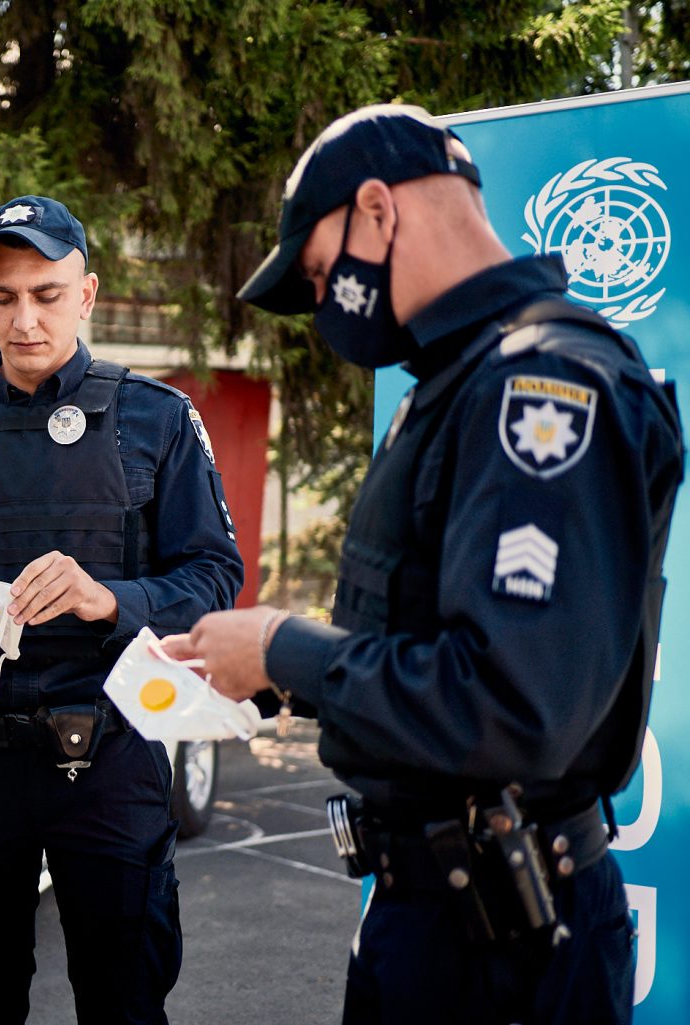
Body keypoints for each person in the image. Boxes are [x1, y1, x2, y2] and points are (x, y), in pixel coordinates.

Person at [164, 105, 682, 1025]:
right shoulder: (457, 386)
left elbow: (511, 707)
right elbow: (427, 636)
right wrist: (259, 671)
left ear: (378, 209)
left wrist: (287, 649)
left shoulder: (542, 388)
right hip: (434, 915)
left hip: (507, 943)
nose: (326, 305)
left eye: (323, 272)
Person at [0, 194, 244, 1024]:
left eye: (47, 293)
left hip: (110, 759)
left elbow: (215, 576)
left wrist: (113, 598)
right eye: (2, 297)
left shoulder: (158, 419)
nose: (24, 318)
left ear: (88, 293)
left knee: (125, 999)